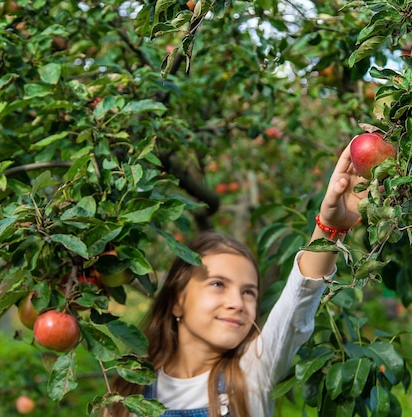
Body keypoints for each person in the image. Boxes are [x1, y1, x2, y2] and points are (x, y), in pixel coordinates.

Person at [104, 142, 364, 417]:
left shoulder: (250, 375)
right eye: (218, 284)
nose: (237, 303)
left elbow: (297, 305)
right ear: (178, 300)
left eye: (249, 292)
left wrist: (330, 227)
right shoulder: (130, 394)